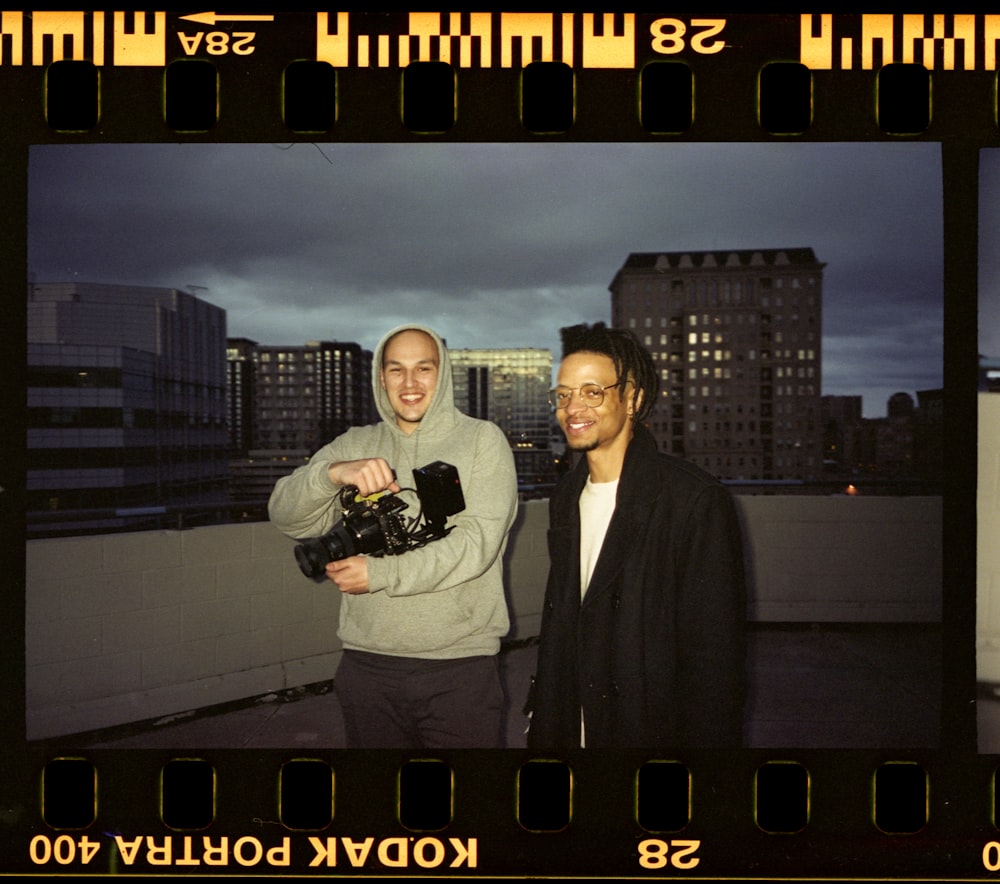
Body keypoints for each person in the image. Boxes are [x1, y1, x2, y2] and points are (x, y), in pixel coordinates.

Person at [268, 324, 518, 748]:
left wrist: (382, 574)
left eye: (424, 368)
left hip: (459, 667)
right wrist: (334, 474)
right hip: (368, 668)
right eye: (396, 369)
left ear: (444, 375)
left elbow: (476, 544)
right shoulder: (357, 442)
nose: (410, 383)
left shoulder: (482, 441)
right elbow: (286, 515)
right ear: (380, 377)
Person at [525, 323, 747, 749]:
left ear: (633, 399)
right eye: (564, 393)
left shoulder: (693, 501)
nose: (573, 407)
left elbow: (715, 665)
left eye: (593, 391)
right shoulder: (567, 496)